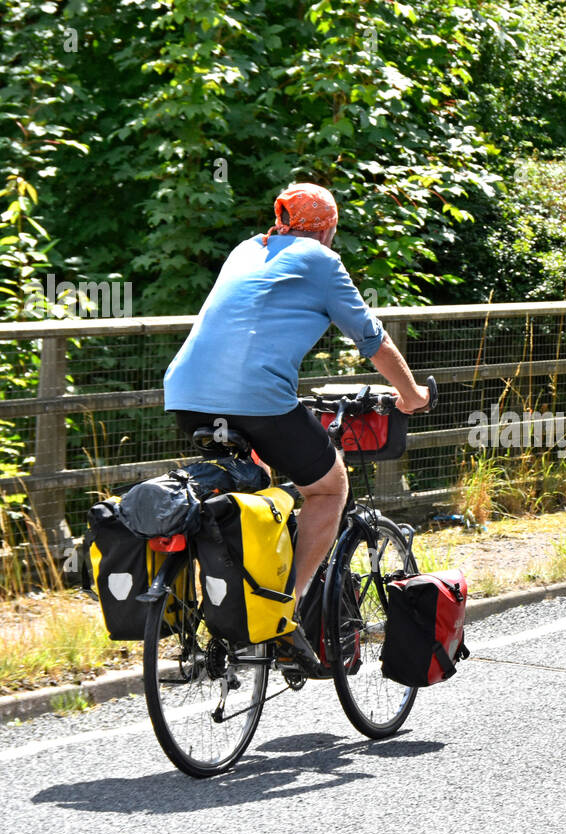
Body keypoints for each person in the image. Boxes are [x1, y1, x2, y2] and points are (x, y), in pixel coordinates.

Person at [164, 182, 429, 669]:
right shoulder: (323, 262)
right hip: (257, 399)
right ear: (328, 230)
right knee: (329, 488)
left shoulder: (248, 249)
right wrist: (412, 396)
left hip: (184, 395)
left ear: (281, 220)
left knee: (255, 484)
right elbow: (372, 341)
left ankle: (237, 603)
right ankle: (284, 617)